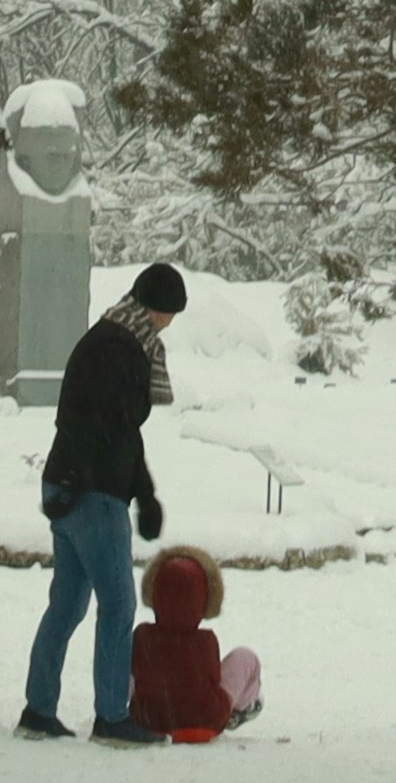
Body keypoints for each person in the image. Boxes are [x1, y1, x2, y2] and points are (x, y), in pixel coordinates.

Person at [20, 260, 182, 744]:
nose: (171, 324)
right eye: (172, 313)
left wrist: (136, 490)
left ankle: (38, 710)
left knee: (67, 604)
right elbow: (112, 429)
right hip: (92, 493)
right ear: (159, 310)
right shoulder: (122, 349)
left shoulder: (108, 337)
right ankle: (111, 717)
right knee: (118, 602)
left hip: (67, 485)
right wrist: (128, 490)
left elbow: (105, 427)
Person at [131, 542, 259, 741]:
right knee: (246, 658)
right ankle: (241, 709)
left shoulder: (141, 636)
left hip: (150, 718)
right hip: (204, 720)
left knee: (126, 666)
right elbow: (213, 681)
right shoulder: (206, 641)